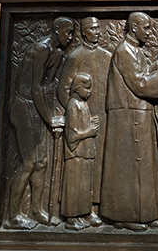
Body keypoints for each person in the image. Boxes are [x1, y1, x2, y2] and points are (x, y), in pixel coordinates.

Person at [101, 12, 158, 231]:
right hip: (126, 116)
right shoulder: (124, 51)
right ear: (134, 28)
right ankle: (123, 216)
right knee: (127, 166)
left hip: (139, 113)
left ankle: (146, 214)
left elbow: (144, 75)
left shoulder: (136, 51)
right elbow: (139, 84)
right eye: (146, 28)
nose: (149, 32)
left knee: (145, 166)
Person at [6, 16, 74, 230]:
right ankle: (13, 216)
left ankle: (35, 210)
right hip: (24, 106)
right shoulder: (40, 49)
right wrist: (50, 119)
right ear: (56, 30)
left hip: (36, 107)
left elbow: (48, 86)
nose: (70, 37)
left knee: (42, 162)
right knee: (29, 162)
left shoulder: (57, 53)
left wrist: (54, 111)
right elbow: (36, 87)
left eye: (72, 33)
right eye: (67, 32)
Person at [58, 17, 112, 227]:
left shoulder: (107, 56)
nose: (97, 32)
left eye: (98, 28)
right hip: (81, 119)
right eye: (92, 29)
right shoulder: (75, 56)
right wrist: (76, 113)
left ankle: (90, 208)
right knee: (78, 168)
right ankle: (76, 210)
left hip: (102, 117)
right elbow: (63, 89)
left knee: (95, 166)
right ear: (83, 32)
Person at [60, 73, 99, 230]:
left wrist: (91, 123)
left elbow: (82, 126)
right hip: (76, 154)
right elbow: (72, 136)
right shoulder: (73, 106)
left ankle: (83, 214)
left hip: (85, 153)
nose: (89, 92)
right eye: (86, 88)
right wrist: (90, 131)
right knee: (74, 186)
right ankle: (71, 218)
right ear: (77, 88)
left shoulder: (83, 104)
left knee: (84, 186)